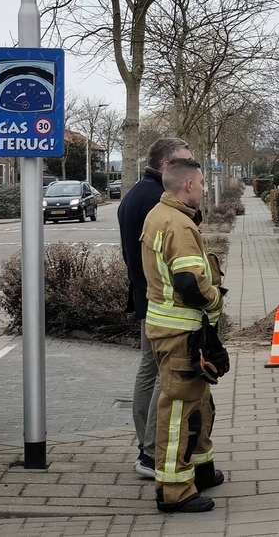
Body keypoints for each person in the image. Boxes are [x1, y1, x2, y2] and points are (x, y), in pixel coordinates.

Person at [142, 158, 228, 513]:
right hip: (181, 330)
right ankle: (174, 490)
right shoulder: (178, 225)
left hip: (173, 328)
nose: (206, 189)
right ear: (189, 185)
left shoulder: (160, 215)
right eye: (203, 183)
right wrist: (214, 303)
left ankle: (201, 469)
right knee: (179, 409)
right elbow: (189, 282)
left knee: (198, 403)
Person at [118, 137, 193, 479]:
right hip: (162, 305)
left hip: (145, 298)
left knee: (147, 372)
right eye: (186, 164)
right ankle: (151, 451)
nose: (193, 173)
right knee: (162, 376)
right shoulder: (157, 203)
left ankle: (144, 446)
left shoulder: (133, 194)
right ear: (167, 167)